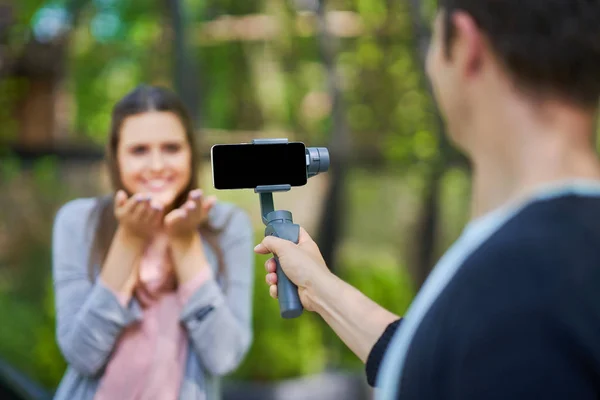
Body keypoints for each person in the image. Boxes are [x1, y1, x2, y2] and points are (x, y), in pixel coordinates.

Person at [255, 1, 600, 399]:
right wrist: (322, 289)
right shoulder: (549, 262)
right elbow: (429, 360)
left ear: (466, 45)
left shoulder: (513, 281)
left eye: (435, 42)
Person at [51, 85, 254, 400]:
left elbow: (224, 356)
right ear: (116, 157)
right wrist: (129, 239)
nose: (157, 165)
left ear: (191, 152)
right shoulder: (78, 222)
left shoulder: (226, 226)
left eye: (172, 148)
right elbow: (82, 355)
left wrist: (185, 246)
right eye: (139, 150)